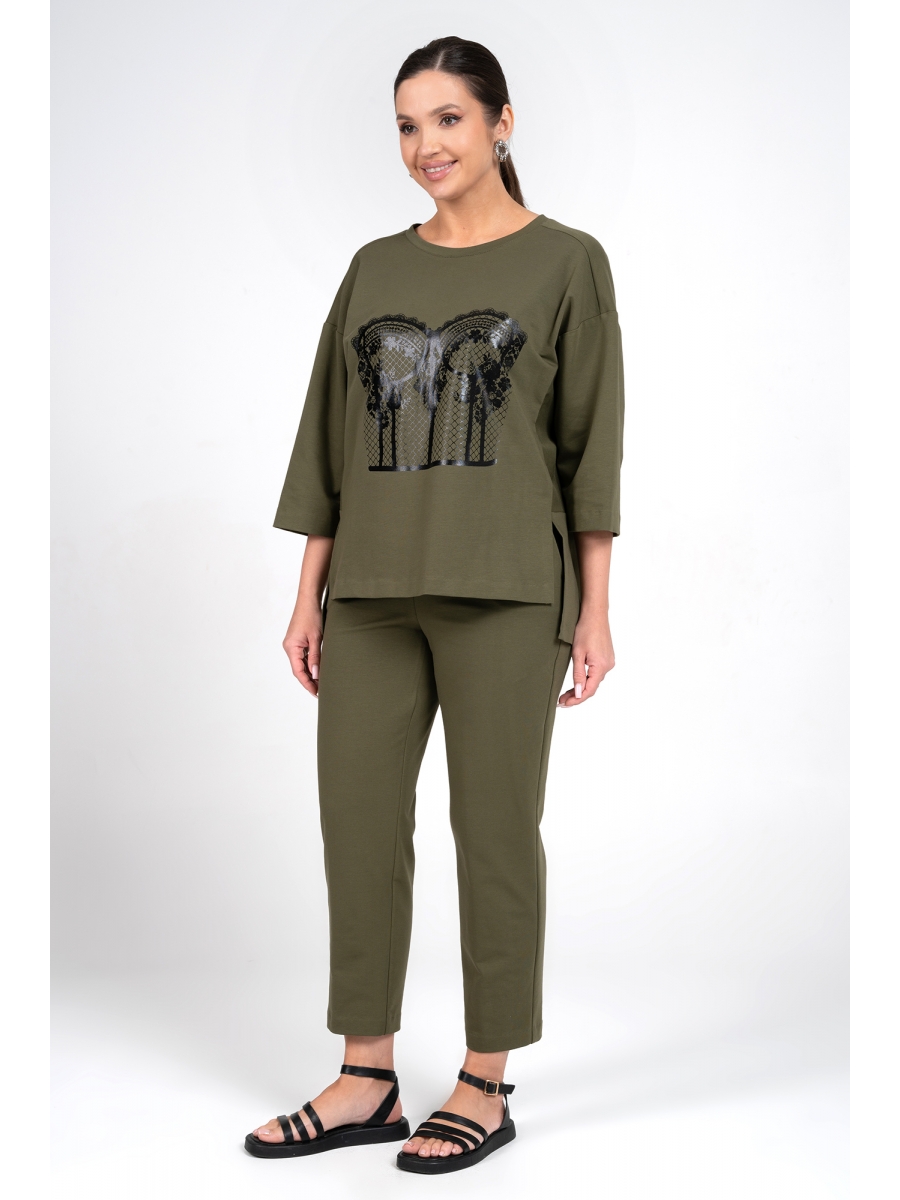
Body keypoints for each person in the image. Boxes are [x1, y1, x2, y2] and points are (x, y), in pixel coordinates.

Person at [244, 35, 624, 1175]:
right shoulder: (374, 267)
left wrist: (595, 608)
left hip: (507, 589)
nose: (426, 146)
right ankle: (366, 1076)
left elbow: (590, 450)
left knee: (494, 833)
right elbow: (327, 441)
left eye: (449, 119)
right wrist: (308, 595)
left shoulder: (568, 262)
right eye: (408, 126)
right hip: (369, 592)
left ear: (502, 123)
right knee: (358, 826)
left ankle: (486, 1081)